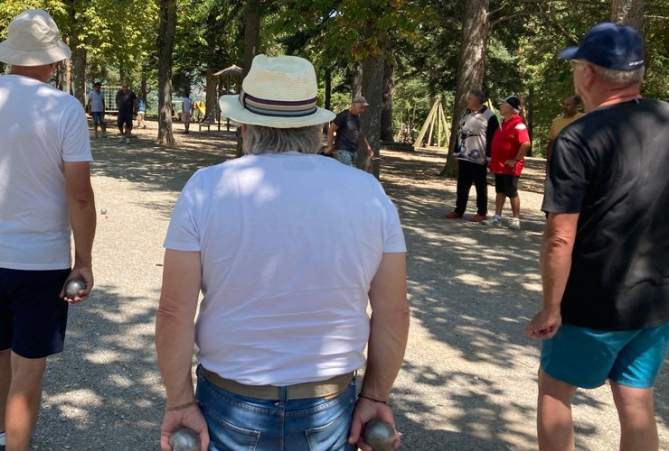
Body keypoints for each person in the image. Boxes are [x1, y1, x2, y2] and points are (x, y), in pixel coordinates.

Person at [156, 54, 409, 451]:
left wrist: (179, 401)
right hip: (327, 403)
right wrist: (376, 396)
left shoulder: (206, 188)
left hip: (231, 396)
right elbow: (393, 311)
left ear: (245, 125)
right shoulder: (367, 192)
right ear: (317, 126)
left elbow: (174, 311)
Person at [0, 10, 96, 451]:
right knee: (28, 365)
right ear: (52, 60)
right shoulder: (64, 108)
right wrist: (84, 260)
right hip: (42, 258)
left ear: (12, 55)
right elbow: (81, 195)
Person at [526, 22, 669, 451]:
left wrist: (551, 307)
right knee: (636, 401)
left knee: (554, 390)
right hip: (654, 299)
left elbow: (559, 236)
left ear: (588, 73)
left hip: (593, 300)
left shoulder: (579, 136)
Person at [445, 89, 499, 222]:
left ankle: (481, 212)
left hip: (479, 158)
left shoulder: (490, 116)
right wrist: (456, 153)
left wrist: (489, 157)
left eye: (469, 98)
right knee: (462, 185)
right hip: (464, 156)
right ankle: (459, 210)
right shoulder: (466, 114)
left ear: (476, 100)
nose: (466, 100)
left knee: (480, 185)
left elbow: (493, 138)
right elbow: (459, 134)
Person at [487, 96, 531, 229]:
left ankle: (516, 219)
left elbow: (526, 143)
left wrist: (516, 160)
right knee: (500, 191)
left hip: (510, 166)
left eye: (503, 104)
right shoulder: (504, 123)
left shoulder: (519, 124)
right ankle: (497, 217)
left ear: (510, 108)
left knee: (512, 191)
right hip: (499, 165)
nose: (500, 106)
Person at [327, 96, 373, 167]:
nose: (363, 110)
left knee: (348, 173)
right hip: (343, 150)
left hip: (353, 151)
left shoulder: (357, 117)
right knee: (349, 173)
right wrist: (330, 146)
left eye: (364, 108)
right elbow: (331, 130)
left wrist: (368, 146)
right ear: (354, 105)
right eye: (361, 107)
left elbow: (359, 131)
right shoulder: (342, 116)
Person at [545, 96, 584, 168]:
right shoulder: (556, 122)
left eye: (568, 105)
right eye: (563, 104)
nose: (564, 107)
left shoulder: (583, 119)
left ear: (575, 106)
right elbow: (551, 144)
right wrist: (548, 164)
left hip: (577, 163)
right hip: (558, 163)